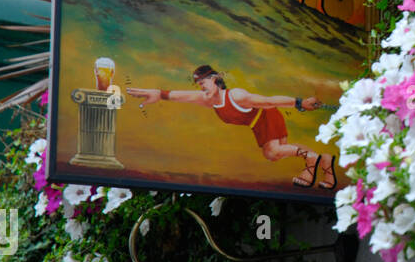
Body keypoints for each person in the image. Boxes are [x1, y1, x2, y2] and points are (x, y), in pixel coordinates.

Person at [128, 66, 335, 189]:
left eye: (203, 83)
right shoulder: (209, 101)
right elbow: (180, 95)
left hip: (266, 116)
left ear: (216, 80)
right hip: (257, 123)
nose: (200, 88)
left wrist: (299, 103)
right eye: (199, 85)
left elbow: (268, 100)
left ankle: (312, 160)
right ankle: (324, 162)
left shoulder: (236, 96)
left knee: (272, 153)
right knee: (278, 154)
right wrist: (159, 93)